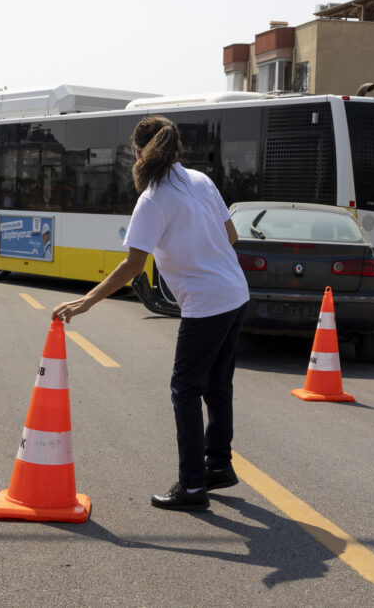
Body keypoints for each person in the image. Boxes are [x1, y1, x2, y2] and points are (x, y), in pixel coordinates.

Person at [52, 115, 249, 512]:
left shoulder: (153, 197)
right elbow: (232, 236)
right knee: (217, 386)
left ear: (139, 152)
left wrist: (84, 302)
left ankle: (193, 487)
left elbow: (131, 266)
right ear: (175, 150)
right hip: (235, 294)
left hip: (207, 304)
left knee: (185, 390)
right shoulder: (201, 181)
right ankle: (218, 466)